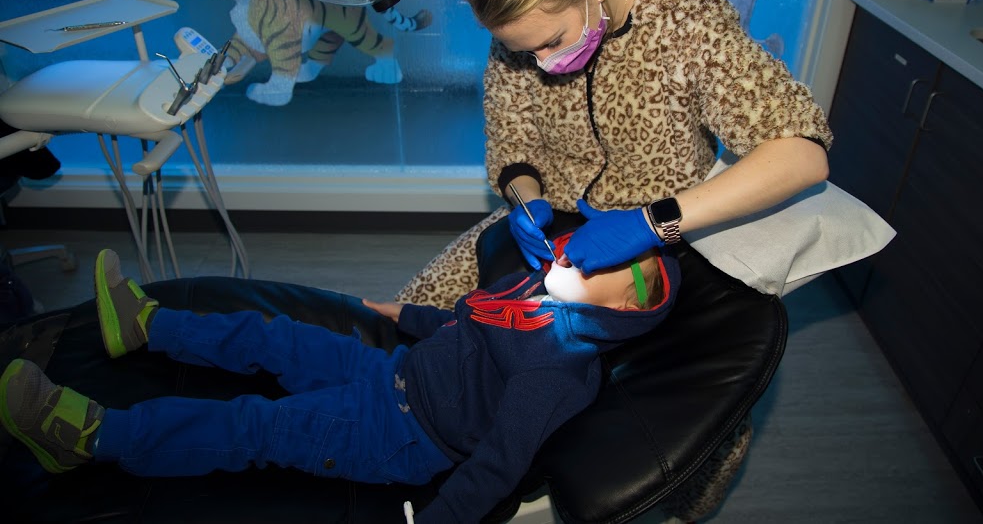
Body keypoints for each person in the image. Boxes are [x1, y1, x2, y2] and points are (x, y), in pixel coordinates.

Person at [0, 242, 679, 524]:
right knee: (274, 337)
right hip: (393, 370)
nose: (579, 251)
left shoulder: (556, 372)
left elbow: (499, 465)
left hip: (398, 433)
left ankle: (86, 436)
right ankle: (147, 325)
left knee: (254, 424)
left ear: (622, 308)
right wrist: (408, 316)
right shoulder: (542, 291)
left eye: (601, 262)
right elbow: (469, 323)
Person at [395, 0, 832, 309]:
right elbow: (513, 144)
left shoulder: (679, 9)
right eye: (526, 52)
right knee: (408, 312)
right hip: (558, 218)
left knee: (523, 346)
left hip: (663, 228)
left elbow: (802, 156)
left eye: (552, 42)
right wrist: (526, 201)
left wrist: (651, 223)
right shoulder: (526, 21)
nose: (542, 64)